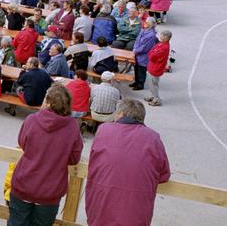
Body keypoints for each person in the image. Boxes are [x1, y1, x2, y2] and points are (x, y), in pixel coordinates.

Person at [85, 99, 170, 226]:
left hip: (100, 208)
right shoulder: (153, 138)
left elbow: (93, 161)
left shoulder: (104, 130)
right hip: (136, 215)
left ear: (121, 114)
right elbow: (164, 175)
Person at [9, 84, 83, 226]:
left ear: (49, 102)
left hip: (24, 183)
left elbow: (22, 143)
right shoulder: (72, 126)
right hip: (50, 191)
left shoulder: (31, 119)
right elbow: (74, 159)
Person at [146, 30, 171, 106]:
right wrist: (152, 53)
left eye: (162, 35)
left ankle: (156, 99)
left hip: (156, 68)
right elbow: (152, 51)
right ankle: (152, 96)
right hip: (153, 66)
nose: (161, 37)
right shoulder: (161, 44)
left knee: (153, 84)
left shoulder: (164, 47)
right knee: (151, 83)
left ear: (166, 38)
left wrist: (151, 54)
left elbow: (153, 56)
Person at [131, 17, 158, 90]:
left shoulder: (152, 35)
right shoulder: (143, 30)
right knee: (136, 68)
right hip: (137, 52)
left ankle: (140, 84)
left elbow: (146, 47)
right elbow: (137, 40)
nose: (144, 23)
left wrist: (136, 50)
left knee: (141, 70)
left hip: (144, 55)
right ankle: (136, 82)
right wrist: (135, 49)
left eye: (146, 23)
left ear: (150, 25)